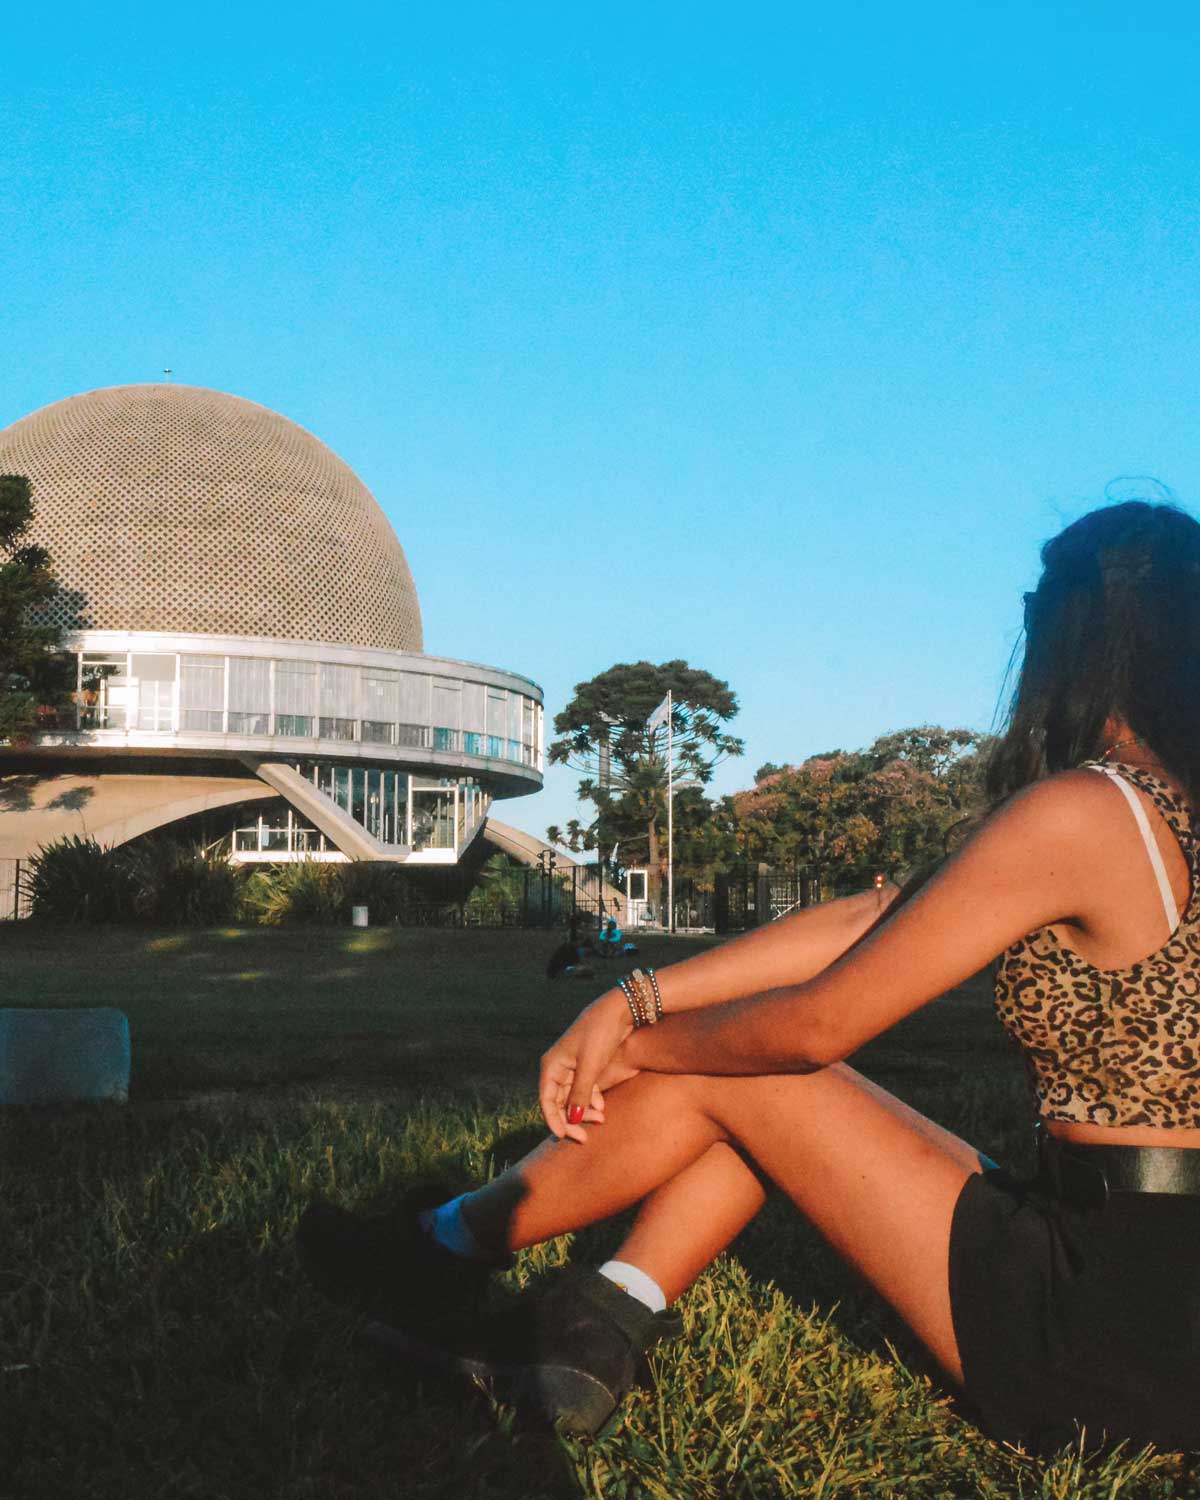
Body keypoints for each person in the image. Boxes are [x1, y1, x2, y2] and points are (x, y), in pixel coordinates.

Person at [299, 500, 1200, 1454]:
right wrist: (637, 995)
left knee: (754, 1062)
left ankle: (436, 1250)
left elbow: (816, 1027)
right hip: (1145, 1271)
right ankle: (600, 1317)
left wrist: (642, 1040)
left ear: (1078, 631)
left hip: (1112, 1323)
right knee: (755, 1075)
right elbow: (874, 916)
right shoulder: (1160, 813)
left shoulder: (1090, 810)